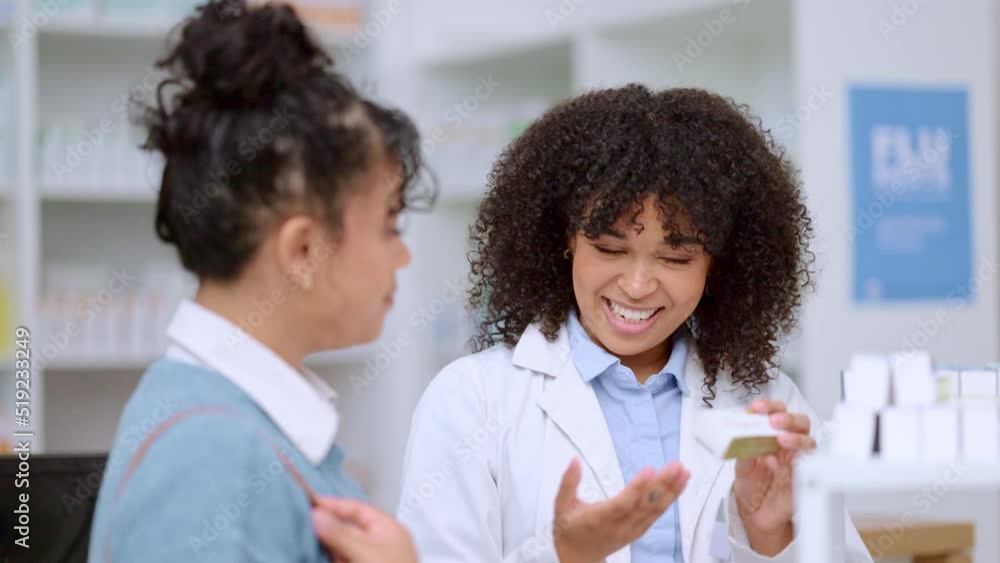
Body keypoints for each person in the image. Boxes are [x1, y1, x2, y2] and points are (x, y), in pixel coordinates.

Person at [397, 85, 873, 562]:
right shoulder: (472, 400)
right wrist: (564, 555)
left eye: (675, 256)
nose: (639, 285)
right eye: (610, 249)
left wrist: (770, 536)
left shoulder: (765, 401)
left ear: (717, 265)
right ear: (566, 239)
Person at [89, 2, 430, 561]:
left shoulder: (226, 421)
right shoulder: (211, 458)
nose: (404, 256)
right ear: (302, 250)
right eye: (390, 226)